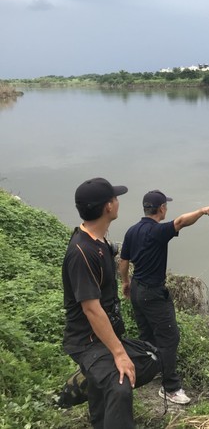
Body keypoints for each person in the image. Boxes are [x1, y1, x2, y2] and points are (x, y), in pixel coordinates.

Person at [62, 177, 161, 429]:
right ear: (108, 207)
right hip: (87, 341)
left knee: (152, 357)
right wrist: (119, 354)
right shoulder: (81, 252)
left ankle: (95, 385)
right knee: (119, 387)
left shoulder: (100, 242)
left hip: (106, 336)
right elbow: (91, 309)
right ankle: (90, 378)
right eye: (115, 198)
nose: (118, 202)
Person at [118, 189, 209, 405]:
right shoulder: (157, 231)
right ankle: (170, 388)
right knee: (169, 338)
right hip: (153, 292)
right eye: (166, 206)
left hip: (137, 288)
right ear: (162, 208)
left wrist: (126, 282)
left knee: (147, 334)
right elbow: (182, 221)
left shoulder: (132, 231)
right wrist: (203, 211)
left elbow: (124, 261)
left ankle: (148, 371)